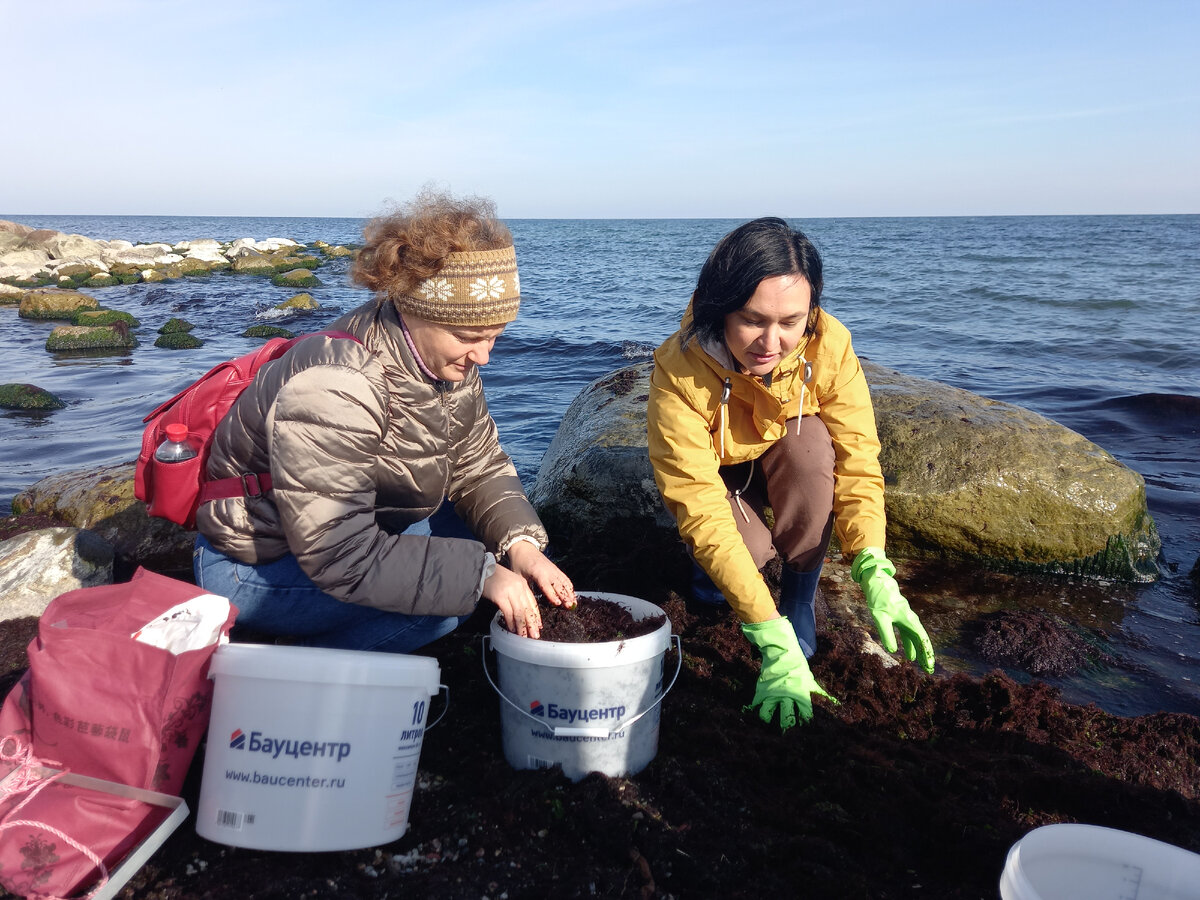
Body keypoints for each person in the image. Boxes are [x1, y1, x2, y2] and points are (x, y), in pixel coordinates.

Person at [193, 189, 574, 651]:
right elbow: (337, 552)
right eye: (471, 337)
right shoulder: (337, 385)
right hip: (259, 560)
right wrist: (483, 576)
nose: (485, 356)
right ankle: (288, 669)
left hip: (348, 525)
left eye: (496, 336)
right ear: (417, 312)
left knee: (510, 558)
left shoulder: (445, 361)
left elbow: (479, 465)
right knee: (447, 604)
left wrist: (521, 547)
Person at [647, 217, 934, 731]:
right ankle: (720, 582)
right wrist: (765, 631)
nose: (770, 342)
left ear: (811, 312)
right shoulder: (680, 366)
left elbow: (859, 456)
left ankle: (799, 597)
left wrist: (873, 565)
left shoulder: (829, 343)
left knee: (812, 448)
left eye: (790, 321)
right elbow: (696, 499)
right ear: (719, 309)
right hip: (720, 475)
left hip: (779, 449)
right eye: (752, 320)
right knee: (745, 554)